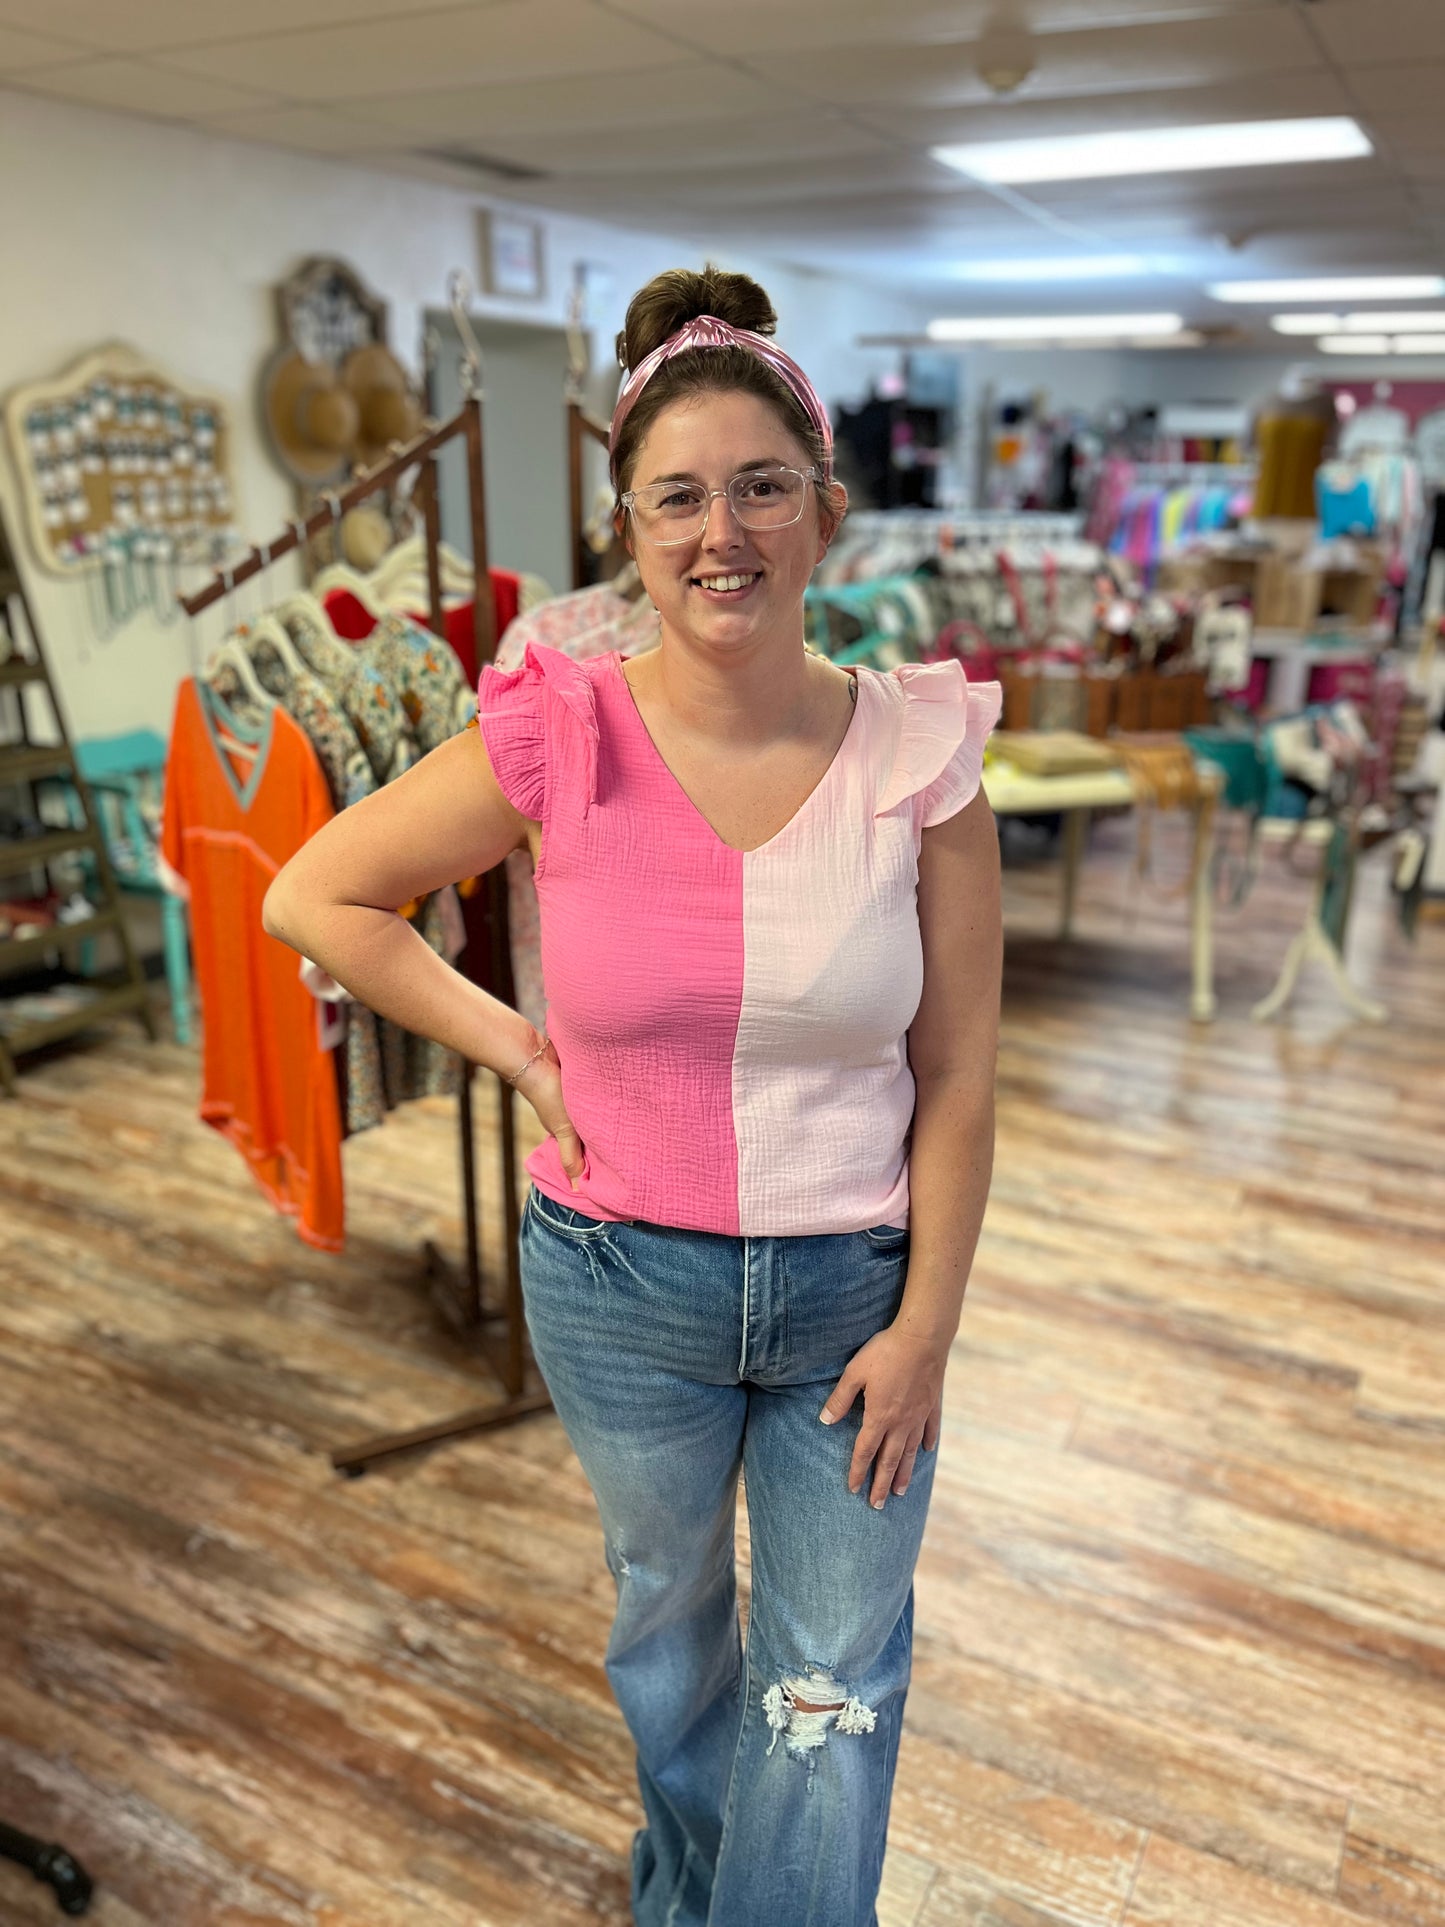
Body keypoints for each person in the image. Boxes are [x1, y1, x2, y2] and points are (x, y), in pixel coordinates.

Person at [263, 264, 1003, 1927]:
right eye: (676, 496)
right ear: (629, 525)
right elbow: (316, 896)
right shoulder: (556, 729)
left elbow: (955, 1070)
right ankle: (686, 1893)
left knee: (827, 1683)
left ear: (823, 513)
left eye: (758, 488)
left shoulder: (920, 755)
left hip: (850, 1304)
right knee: (665, 1637)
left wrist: (928, 1328)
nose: (717, 531)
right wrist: (521, 1048)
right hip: (618, 1286)